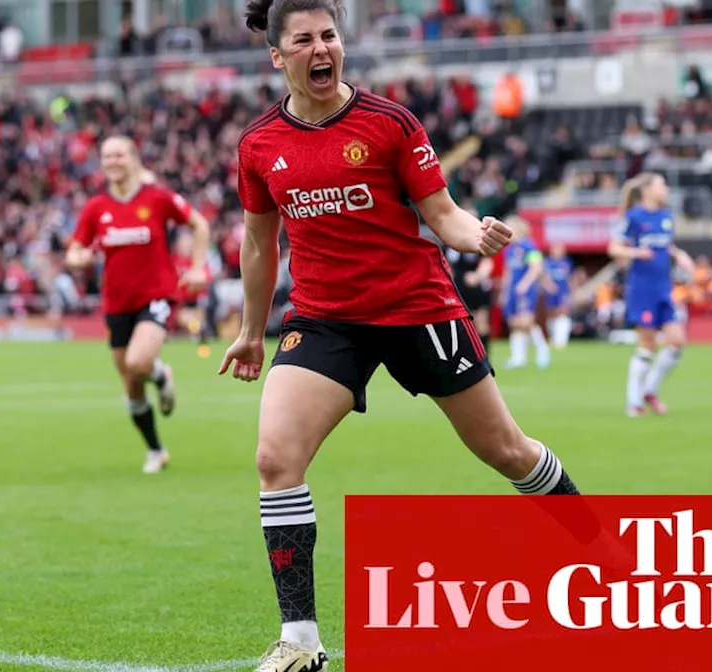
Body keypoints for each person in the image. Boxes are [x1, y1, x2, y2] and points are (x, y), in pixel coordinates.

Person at [219, 0, 598, 669]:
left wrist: (474, 234)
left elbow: (443, 214)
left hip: (418, 309)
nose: (320, 50)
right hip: (324, 318)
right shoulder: (258, 146)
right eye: (303, 40)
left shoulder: (389, 123)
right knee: (276, 459)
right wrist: (252, 331)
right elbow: (259, 243)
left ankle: (599, 548)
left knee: (506, 451)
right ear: (276, 56)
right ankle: (301, 642)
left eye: (329, 36)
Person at [67, 135, 212, 473]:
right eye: (106, 156)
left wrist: (196, 267)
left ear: (133, 159)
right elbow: (74, 250)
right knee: (131, 386)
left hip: (157, 295)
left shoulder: (158, 199)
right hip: (116, 302)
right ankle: (156, 450)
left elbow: (199, 224)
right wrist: (80, 258)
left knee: (138, 361)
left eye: (119, 154)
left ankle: (161, 375)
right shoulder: (96, 208)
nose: (113, 161)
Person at [606, 172, 694, 417]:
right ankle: (633, 402)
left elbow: (665, 245)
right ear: (647, 190)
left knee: (677, 342)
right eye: (661, 184)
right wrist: (636, 253)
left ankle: (649, 390)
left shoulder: (667, 217)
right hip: (641, 290)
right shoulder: (633, 217)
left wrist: (679, 255)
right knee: (648, 345)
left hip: (664, 289)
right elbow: (613, 247)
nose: (665, 189)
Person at [501, 216, 549, 369]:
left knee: (526, 322)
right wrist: (504, 291)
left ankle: (542, 350)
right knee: (514, 323)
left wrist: (525, 284)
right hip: (512, 291)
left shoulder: (529, 246)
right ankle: (518, 357)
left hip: (525, 290)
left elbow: (537, 267)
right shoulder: (508, 249)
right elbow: (507, 272)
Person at [444, 234, 495, 357]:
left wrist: (478, 276)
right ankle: (468, 356)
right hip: (457, 287)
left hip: (475, 288)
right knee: (462, 324)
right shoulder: (447, 243)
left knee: (481, 322)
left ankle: (484, 356)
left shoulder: (477, 242)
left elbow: (487, 262)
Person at [542, 241, 574, 349]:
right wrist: (549, 286)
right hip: (552, 292)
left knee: (563, 312)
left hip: (563, 292)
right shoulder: (548, 263)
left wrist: (571, 290)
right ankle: (553, 337)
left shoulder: (567, 262)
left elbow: (570, 278)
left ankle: (561, 340)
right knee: (551, 314)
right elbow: (544, 277)